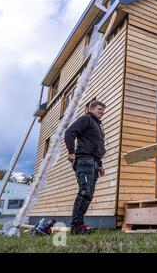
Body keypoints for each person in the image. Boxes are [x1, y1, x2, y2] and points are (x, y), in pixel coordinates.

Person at [64, 100, 106, 234]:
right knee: (84, 192)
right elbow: (69, 133)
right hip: (84, 160)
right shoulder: (86, 119)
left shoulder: (98, 125)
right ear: (92, 109)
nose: (102, 112)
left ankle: (79, 225)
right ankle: (76, 226)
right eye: (99, 109)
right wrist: (71, 152)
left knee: (88, 195)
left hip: (93, 161)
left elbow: (95, 146)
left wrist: (99, 164)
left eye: (103, 110)